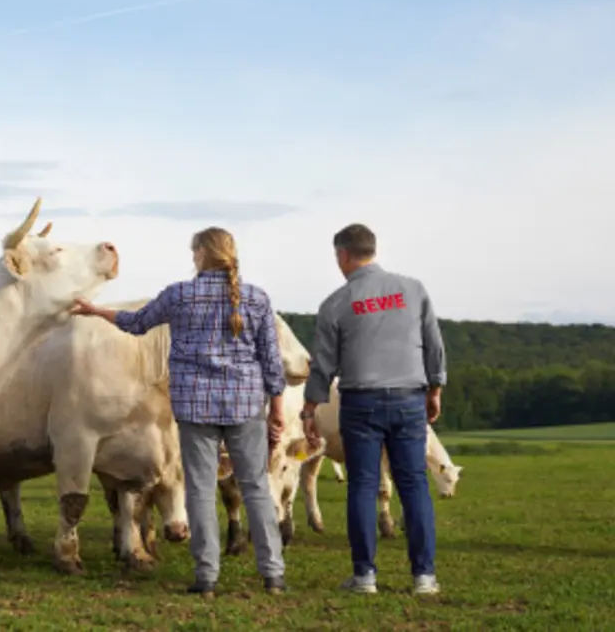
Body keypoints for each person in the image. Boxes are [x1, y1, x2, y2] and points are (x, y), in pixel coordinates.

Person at [70, 226, 288, 597]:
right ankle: (273, 574)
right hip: (245, 405)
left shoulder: (180, 295)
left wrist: (94, 311)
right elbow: (271, 359)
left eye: (194, 253)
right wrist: (278, 409)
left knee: (199, 491)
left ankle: (207, 576)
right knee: (255, 488)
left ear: (201, 254)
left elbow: (135, 323)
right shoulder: (256, 298)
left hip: (195, 407)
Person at [300, 223, 446, 596]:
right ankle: (424, 576)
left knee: (362, 486)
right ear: (373, 250)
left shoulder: (335, 303)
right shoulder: (413, 290)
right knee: (413, 483)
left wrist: (310, 407)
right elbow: (433, 344)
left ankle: (364, 576)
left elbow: (323, 364)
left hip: (360, 402)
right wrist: (435, 388)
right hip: (409, 398)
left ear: (343, 255)